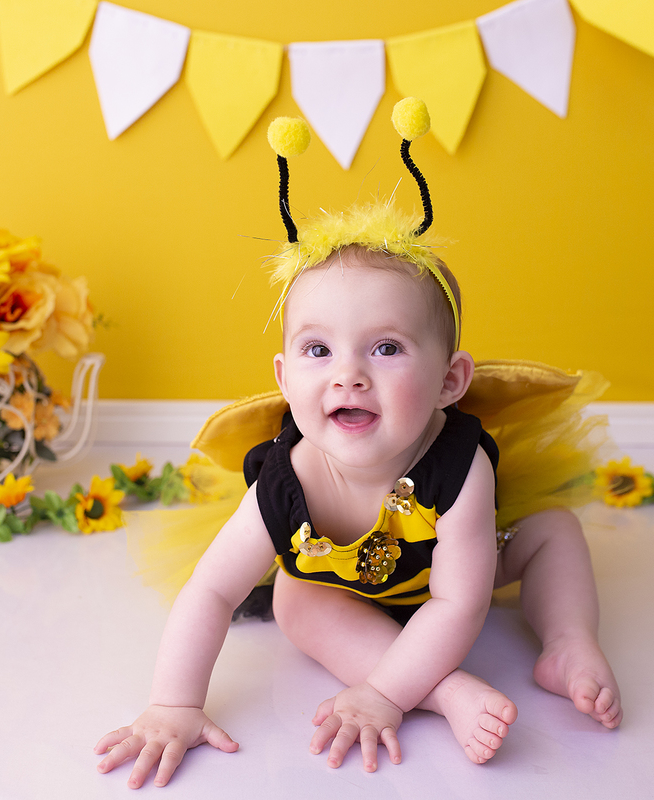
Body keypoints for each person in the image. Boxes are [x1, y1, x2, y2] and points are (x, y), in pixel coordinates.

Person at [95, 101, 622, 789]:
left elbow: (457, 603)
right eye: (318, 349)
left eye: (386, 348)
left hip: (445, 576)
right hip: (340, 589)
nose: (348, 373)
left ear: (449, 381)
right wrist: (173, 705)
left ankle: (568, 642)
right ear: (285, 380)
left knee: (552, 531)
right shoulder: (288, 482)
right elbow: (211, 590)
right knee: (294, 601)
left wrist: (380, 697)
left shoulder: (459, 466)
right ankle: (447, 691)